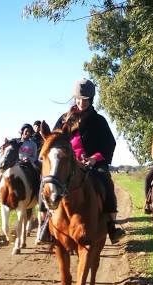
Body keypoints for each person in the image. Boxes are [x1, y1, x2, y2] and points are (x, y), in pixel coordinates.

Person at [37, 78, 126, 244]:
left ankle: (111, 227)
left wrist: (94, 159)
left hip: (92, 163)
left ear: (91, 100)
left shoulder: (99, 121)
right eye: (78, 99)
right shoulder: (64, 119)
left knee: (106, 181)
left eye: (85, 99)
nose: (81, 102)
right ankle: (44, 223)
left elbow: (109, 144)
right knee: (46, 180)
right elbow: (54, 139)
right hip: (66, 163)